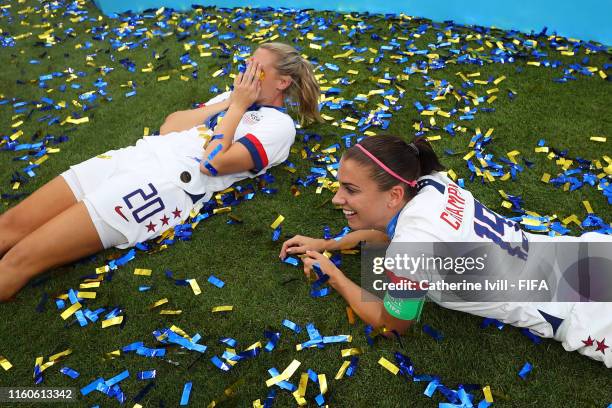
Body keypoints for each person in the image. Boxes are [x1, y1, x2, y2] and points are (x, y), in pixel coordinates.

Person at [0, 42, 321, 301]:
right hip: (138, 155)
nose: (248, 75)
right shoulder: (232, 98)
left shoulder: (278, 126)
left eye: (258, 70)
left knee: (21, 258)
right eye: (248, 65)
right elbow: (169, 127)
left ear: (282, 82)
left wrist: (238, 107)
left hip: (162, 186)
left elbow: (211, 164)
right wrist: (230, 103)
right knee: (10, 225)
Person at [280, 135, 612, 367]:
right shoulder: (431, 182)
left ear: (394, 195)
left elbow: (391, 326)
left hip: (589, 314)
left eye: (349, 190)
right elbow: (390, 230)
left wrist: (334, 275)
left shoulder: (411, 249)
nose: (337, 198)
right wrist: (331, 244)